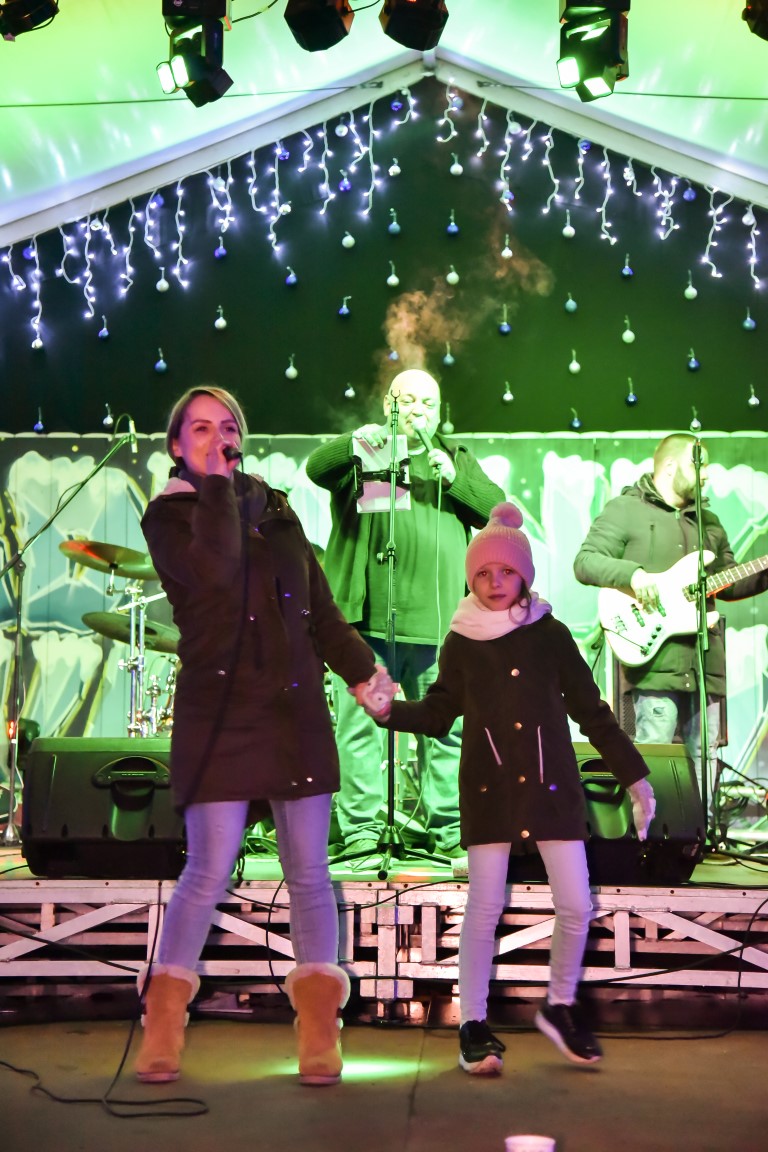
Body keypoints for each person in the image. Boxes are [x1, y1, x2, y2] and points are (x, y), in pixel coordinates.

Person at [136, 385, 395, 1087]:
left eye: (226, 427)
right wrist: (218, 487)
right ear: (176, 445)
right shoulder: (169, 515)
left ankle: (319, 1029)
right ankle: (164, 1022)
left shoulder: (276, 509)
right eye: (199, 429)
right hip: (220, 712)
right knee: (208, 869)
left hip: (291, 710)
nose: (216, 437)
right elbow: (214, 573)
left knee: (309, 872)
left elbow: (320, 611)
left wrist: (364, 673)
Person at [363, 503, 655, 1074]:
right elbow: (439, 712)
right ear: (470, 579)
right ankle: (472, 1023)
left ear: (524, 576)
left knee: (577, 904)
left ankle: (560, 1004)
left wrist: (635, 776)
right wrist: (388, 712)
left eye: (506, 572)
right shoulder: (461, 640)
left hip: (552, 789)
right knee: (484, 906)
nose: (495, 583)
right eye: (483, 573)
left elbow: (592, 712)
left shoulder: (551, 634)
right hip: (490, 789)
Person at [306, 368, 505, 859]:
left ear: (440, 413)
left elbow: (499, 514)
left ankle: (449, 829)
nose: (418, 411)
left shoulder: (454, 458)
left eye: (428, 403)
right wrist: (357, 442)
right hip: (367, 625)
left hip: (438, 626)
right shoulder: (368, 452)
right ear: (388, 406)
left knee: (447, 731)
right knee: (360, 730)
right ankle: (361, 832)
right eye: (408, 401)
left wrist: (455, 480)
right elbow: (316, 468)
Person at [573, 432, 768, 805]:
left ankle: (700, 833)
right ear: (670, 466)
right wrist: (633, 575)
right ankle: (653, 833)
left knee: (705, 758)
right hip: (655, 664)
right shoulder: (625, 510)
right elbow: (585, 561)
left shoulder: (708, 522)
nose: (707, 474)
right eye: (700, 465)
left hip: (704, 664)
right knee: (655, 756)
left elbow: (728, 582)